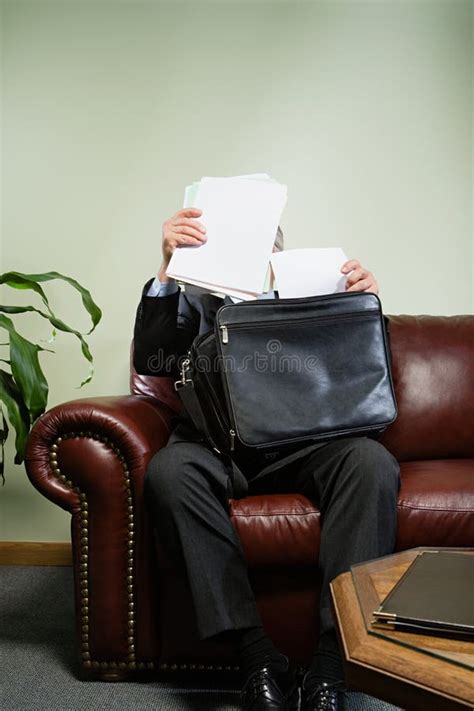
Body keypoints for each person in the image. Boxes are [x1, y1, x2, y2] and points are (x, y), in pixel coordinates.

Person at [133, 207, 400, 711]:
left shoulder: (314, 290)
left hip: (303, 448)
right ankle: (256, 657)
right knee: (170, 471)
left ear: (276, 251)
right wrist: (169, 269)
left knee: (372, 463)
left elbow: (361, 373)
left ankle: (331, 665)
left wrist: (363, 306)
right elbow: (152, 360)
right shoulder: (194, 298)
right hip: (217, 448)